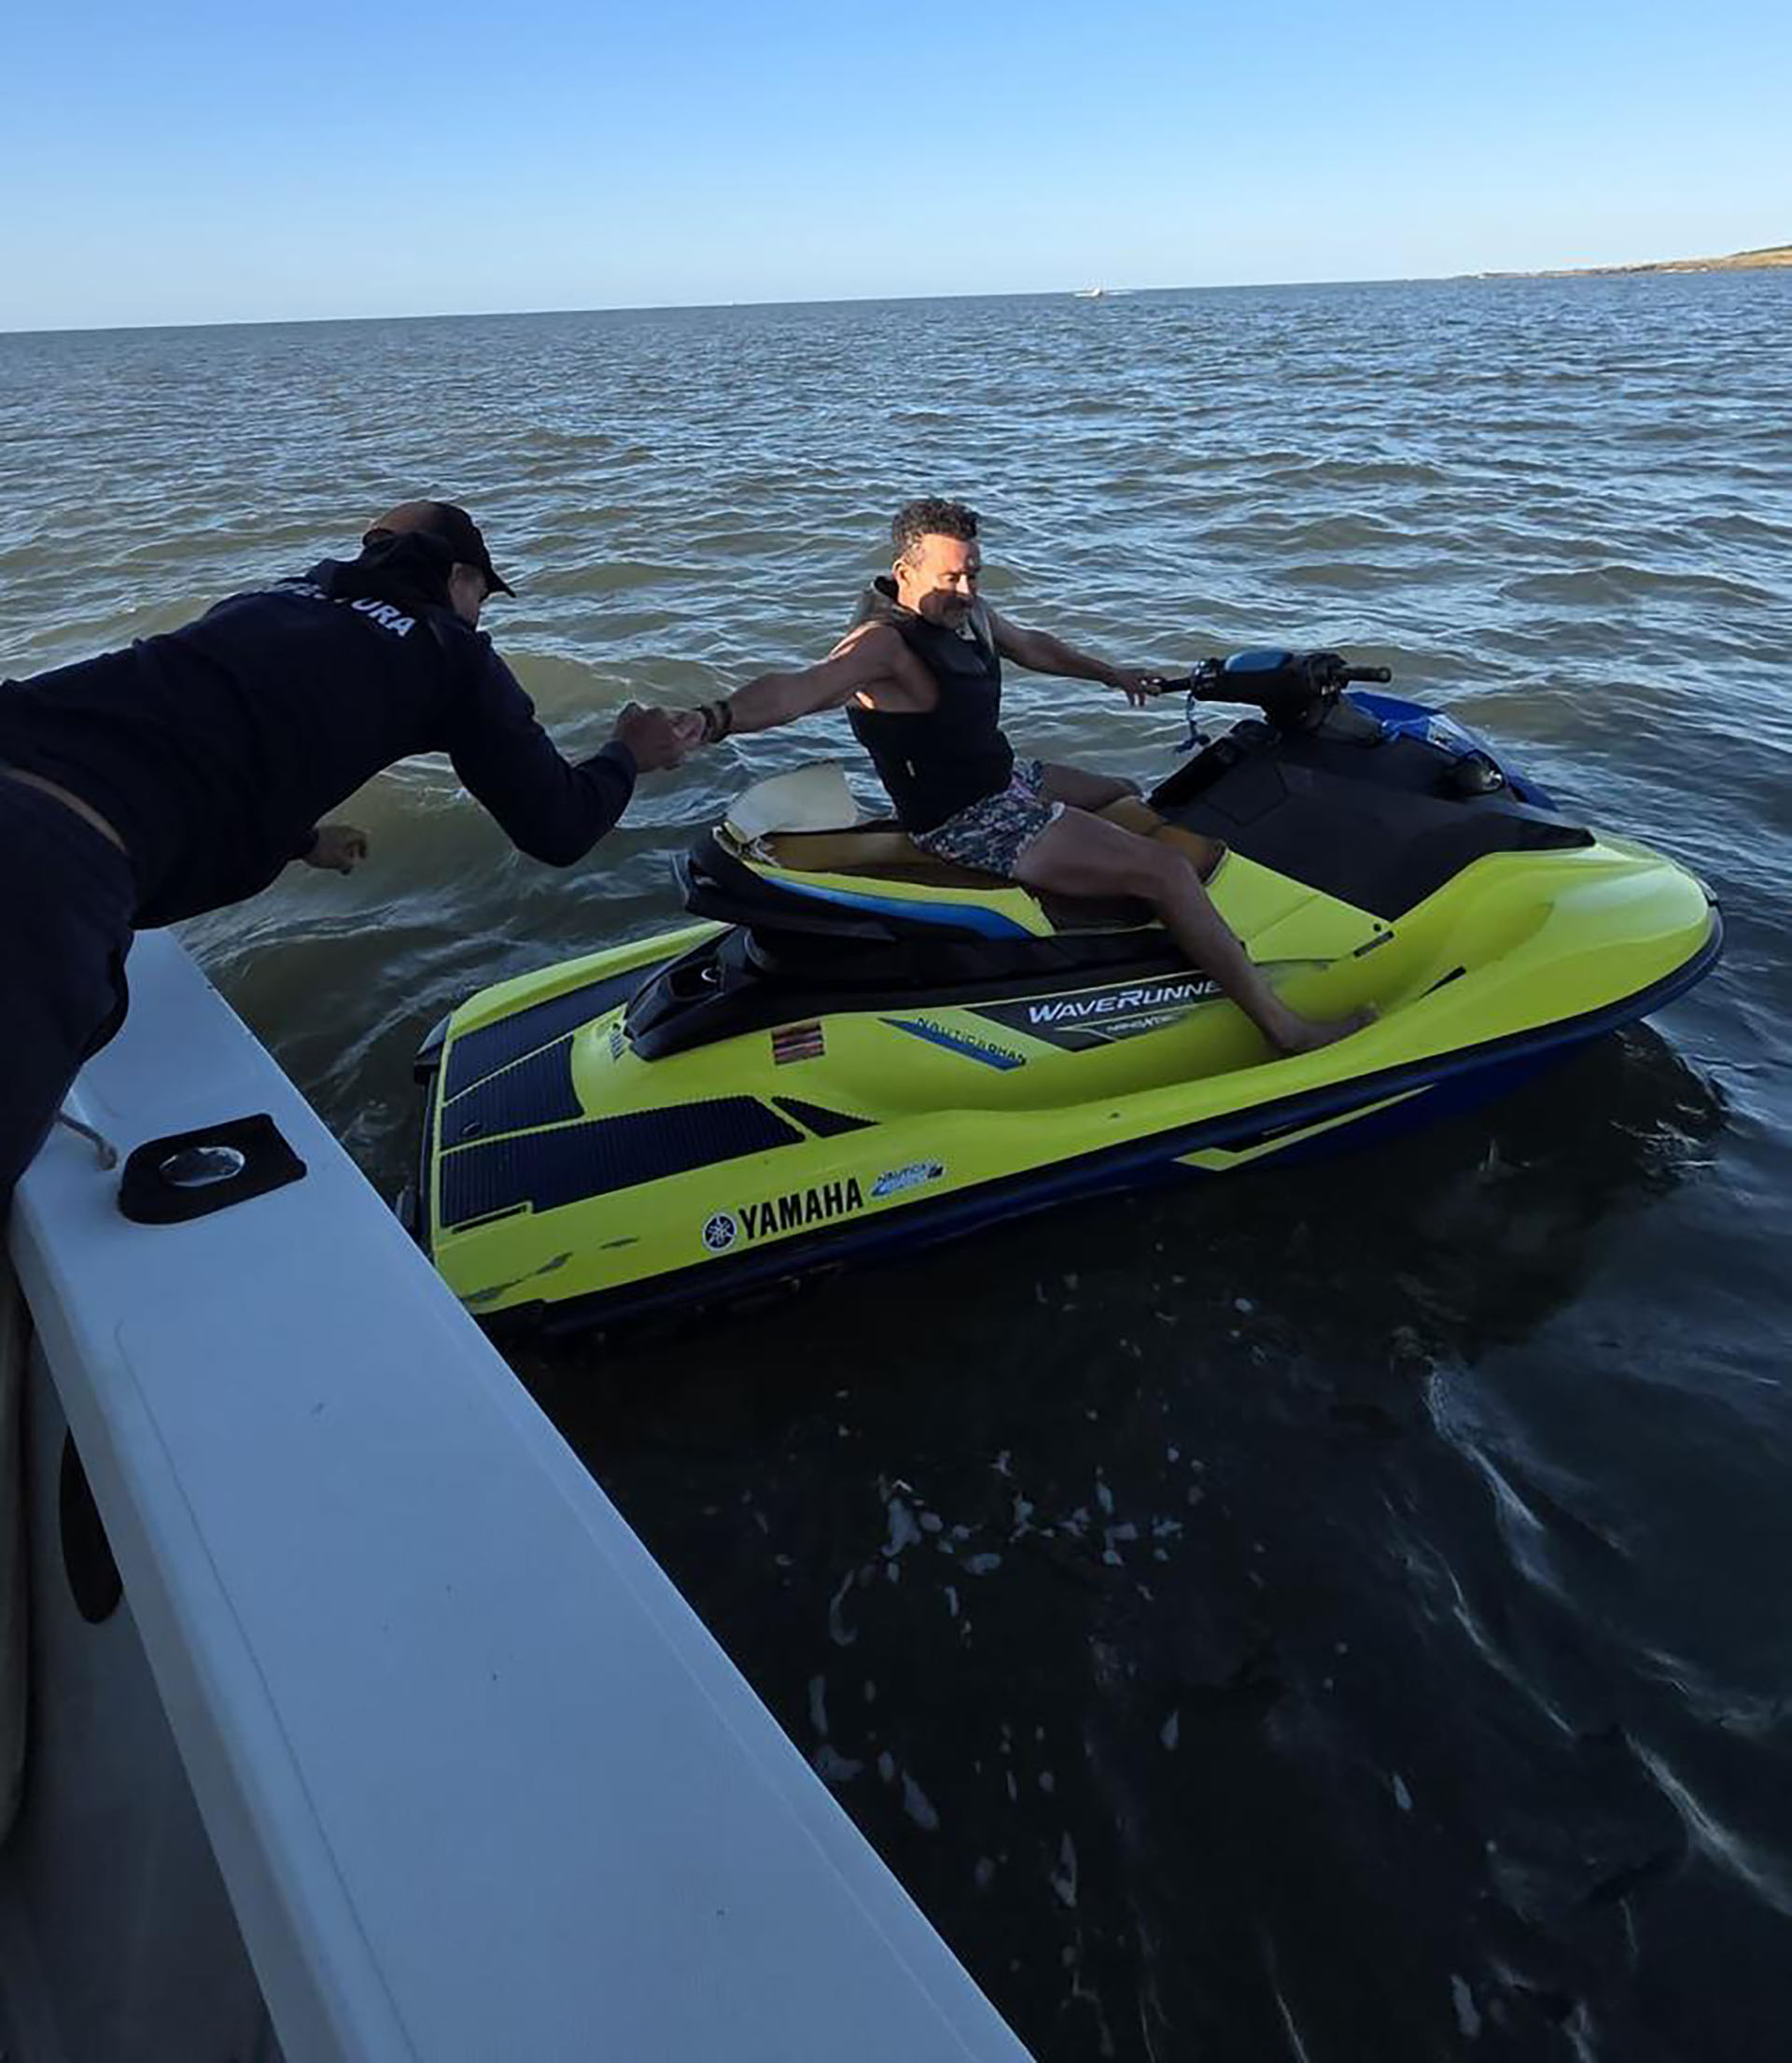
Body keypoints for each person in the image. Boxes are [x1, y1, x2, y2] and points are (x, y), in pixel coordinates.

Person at [0, 499, 687, 1206]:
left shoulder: (268, 600)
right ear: (456, 578)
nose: (481, 616)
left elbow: (193, 745)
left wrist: (301, 842)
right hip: (44, 870)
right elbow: (560, 827)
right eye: (483, 596)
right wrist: (628, 755)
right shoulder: (449, 652)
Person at [678, 497, 1368, 1057]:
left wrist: (1111, 673)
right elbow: (799, 690)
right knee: (1166, 871)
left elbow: (1031, 644)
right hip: (965, 821)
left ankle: (1113, 939)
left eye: (974, 572)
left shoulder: (968, 612)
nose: (966, 589)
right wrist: (712, 720)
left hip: (1008, 779)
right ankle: (1284, 1029)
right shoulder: (880, 645)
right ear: (904, 571)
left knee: (1122, 793)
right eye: (950, 577)